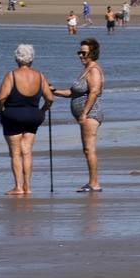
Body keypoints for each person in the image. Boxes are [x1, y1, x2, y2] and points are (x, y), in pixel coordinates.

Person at [0, 43, 55, 196]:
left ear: (17, 58)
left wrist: (0, 110)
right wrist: (42, 110)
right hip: (33, 116)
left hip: (13, 116)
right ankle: (28, 187)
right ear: (31, 59)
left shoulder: (12, 75)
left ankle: (18, 187)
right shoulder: (40, 76)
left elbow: (1, 97)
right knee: (27, 152)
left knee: (16, 153)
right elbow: (50, 99)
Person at [53, 38, 104, 193]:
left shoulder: (94, 70)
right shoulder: (86, 70)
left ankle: (94, 183)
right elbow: (72, 93)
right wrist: (53, 91)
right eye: (79, 52)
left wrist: (84, 113)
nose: (80, 55)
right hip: (85, 115)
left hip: (91, 115)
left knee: (89, 149)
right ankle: (92, 182)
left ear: (92, 53)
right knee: (86, 149)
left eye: (84, 53)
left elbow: (94, 92)